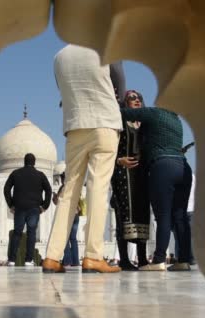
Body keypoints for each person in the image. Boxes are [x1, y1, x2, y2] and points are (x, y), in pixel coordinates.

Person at [43, 44, 125, 273]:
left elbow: (65, 90)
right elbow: (120, 85)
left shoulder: (59, 56)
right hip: (104, 124)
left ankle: (52, 257)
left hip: (75, 126)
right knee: (97, 187)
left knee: (69, 191)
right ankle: (93, 256)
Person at [120, 105, 192, 271]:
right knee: (180, 216)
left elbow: (125, 113)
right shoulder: (176, 120)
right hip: (183, 167)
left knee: (163, 215)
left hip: (163, 166)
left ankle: (159, 260)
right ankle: (184, 260)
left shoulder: (153, 113)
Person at [110, 90, 150, 271]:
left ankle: (142, 258)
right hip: (122, 174)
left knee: (142, 213)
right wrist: (120, 160)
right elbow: (109, 148)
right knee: (123, 214)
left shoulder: (146, 124)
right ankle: (124, 259)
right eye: (132, 98)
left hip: (141, 175)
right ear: (125, 103)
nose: (136, 101)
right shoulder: (119, 122)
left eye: (139, 98)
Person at [4, 153, 52, 266]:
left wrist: (11, 204)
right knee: (31, 233)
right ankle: (28, 260)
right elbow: (49, 190)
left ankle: (11, 260)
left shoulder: (16, 173)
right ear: (34, 162)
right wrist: (44, 206)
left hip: (19, 208)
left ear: (24, 161)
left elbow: (6, 189)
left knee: (17, 233)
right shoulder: (40, 175)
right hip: (34, 208)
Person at [52, 172, 82, 267]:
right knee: (73, 239)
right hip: (76, 214)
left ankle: (68, 261)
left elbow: (58, 202)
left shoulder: (63, 188)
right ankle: (75, 261)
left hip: (67, 215)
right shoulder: (75, 187)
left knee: (65, 238)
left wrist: (54, 196)